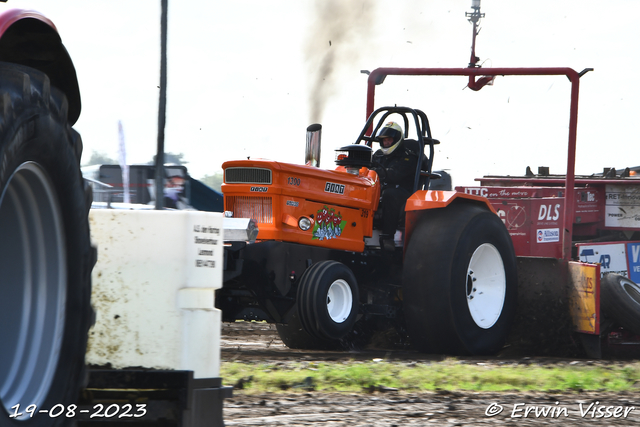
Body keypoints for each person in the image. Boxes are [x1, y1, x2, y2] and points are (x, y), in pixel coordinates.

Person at [370, 121, 419, 251]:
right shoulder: (378, 155)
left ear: (396, 140)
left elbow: (395, 174)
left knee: (390, 194)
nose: (386, 143)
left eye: (389, 140)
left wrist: (377, 171)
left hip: (403, 193)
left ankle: (387, 237)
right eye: (384, 140)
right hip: (380, 189)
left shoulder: (408, 157)